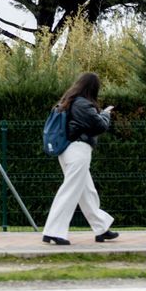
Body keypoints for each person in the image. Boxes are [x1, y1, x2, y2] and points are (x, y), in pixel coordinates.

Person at [42, 72, 118, 246]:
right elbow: (99, 126)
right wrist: (106, 114)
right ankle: (53, 232)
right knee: (70, 191)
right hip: (78, 150)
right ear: (93, 88)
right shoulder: (82, 104)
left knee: (86, 191)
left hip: (67, 150)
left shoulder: (68, 102)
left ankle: (101, 228)